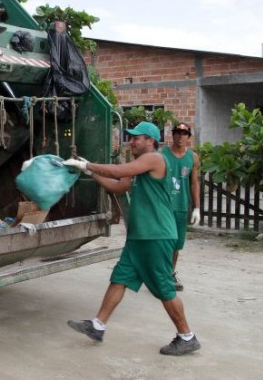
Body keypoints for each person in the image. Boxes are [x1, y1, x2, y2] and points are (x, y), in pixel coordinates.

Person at [62, 121, 201, 356]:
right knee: (120, 278)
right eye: (131, 137)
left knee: (164, 288)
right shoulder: (140, 166)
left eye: (137, 138)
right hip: (139, 236)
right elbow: (119, 186)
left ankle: (187, 336)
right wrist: (90, 172)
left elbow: (118, 171)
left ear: (150, 141)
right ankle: (98, 325)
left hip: (155, 235)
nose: (131, 142)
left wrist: (86, 164)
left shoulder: (154, 159)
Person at [162, 122, 200, 291]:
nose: (180, 136)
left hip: (181, 207)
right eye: (177, 132)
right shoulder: (162, 154)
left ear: (188, 137)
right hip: (164, 206)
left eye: (184, 134)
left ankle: (170, 273)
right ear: (173, 134)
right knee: (165, 242)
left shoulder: (193, 157)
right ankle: (162, 274)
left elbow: (194, 183)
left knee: (177, 244)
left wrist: (197, 208)